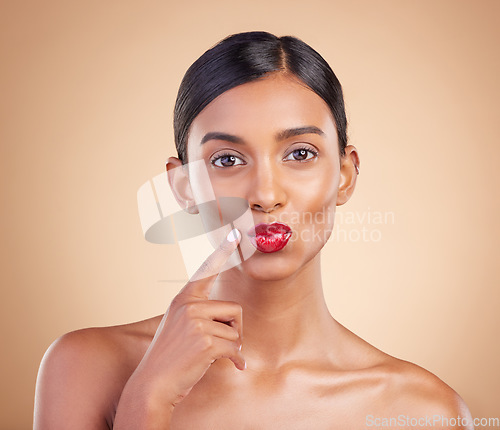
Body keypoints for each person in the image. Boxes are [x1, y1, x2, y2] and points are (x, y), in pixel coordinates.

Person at [34, 31, 473, 429]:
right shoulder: (85, 367)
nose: (265, 194)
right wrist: (148, 397)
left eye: (300, 154)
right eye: (227, 160)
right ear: (184, 187)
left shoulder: (423, 412)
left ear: (344, 175)